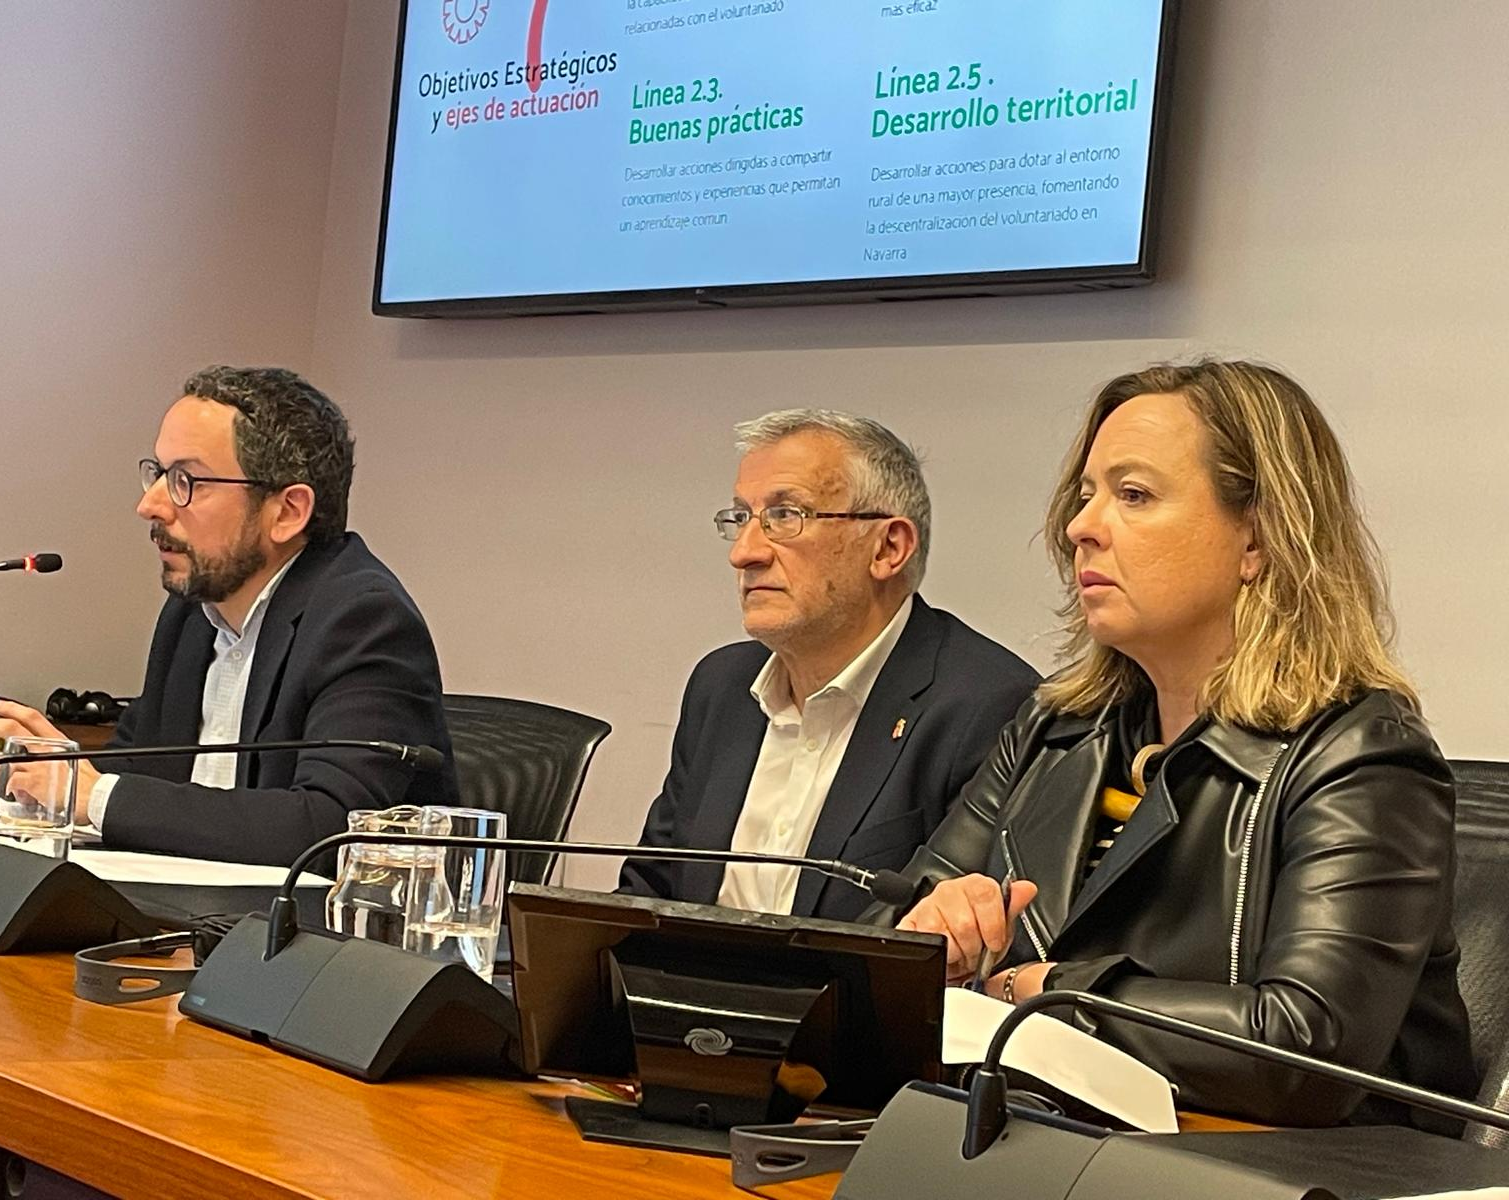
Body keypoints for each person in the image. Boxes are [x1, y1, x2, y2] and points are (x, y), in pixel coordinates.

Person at [875, 360, 1476, 1128]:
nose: (1080, 526)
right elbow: (876, 953)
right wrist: (929, 935)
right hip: (1048, 1143)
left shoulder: (1362, 755)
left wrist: (1047, 990)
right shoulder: (1052, 728)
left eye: (1133, 495)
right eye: (1086, 495)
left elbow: (1306, 1051)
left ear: (1258, 538)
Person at [0, 366, 458, 866]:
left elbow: (336, 826)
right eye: (157, 474)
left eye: (186, 481)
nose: (149, 505)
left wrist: (91, 794)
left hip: (296, 935)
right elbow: (137, 776)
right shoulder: (191, 613)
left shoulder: (364, 620)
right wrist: (47, 777)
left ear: (287, 512)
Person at [619, 409, 1037, 922]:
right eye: (741, 518)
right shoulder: (721, 686)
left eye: (785, 517)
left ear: (888, 548)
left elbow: (959, 946)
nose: (745, 553)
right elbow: (650, 891)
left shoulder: (986, 706)